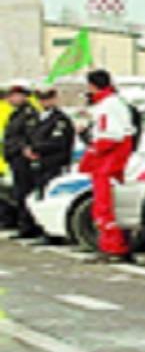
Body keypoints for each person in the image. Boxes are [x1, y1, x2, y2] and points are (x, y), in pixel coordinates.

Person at [79, 69, 136, 263]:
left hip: (109, 160)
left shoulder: (108, 105)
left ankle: (114, 247)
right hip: (111, 158)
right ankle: (113, 245)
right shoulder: (112, 103)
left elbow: (111, 135)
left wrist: (94, 152)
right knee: (107, 205)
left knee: (106, 206)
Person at [24, 86, 76, 241]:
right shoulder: (36, 118)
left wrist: (35, 148)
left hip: (54, 163)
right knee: (38, 196)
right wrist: (28, 149)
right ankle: (41, 229)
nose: (44, 102)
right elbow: (28, 136)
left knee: (50, 197)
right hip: (38, 163)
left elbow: (58, 142)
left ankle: (52, 234)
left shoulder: (60, 120)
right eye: (41, 99)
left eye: (47, 98)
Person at [3, 80, 42, 239]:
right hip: (15, 157)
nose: (10, 99)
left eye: (14, 96)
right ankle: (24, 224)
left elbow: (28, 137)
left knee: (25, 192)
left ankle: (29, 226)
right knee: (19, 193)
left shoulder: (28, 114)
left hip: (23, 159)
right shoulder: (16, 114)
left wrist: (21, 148)